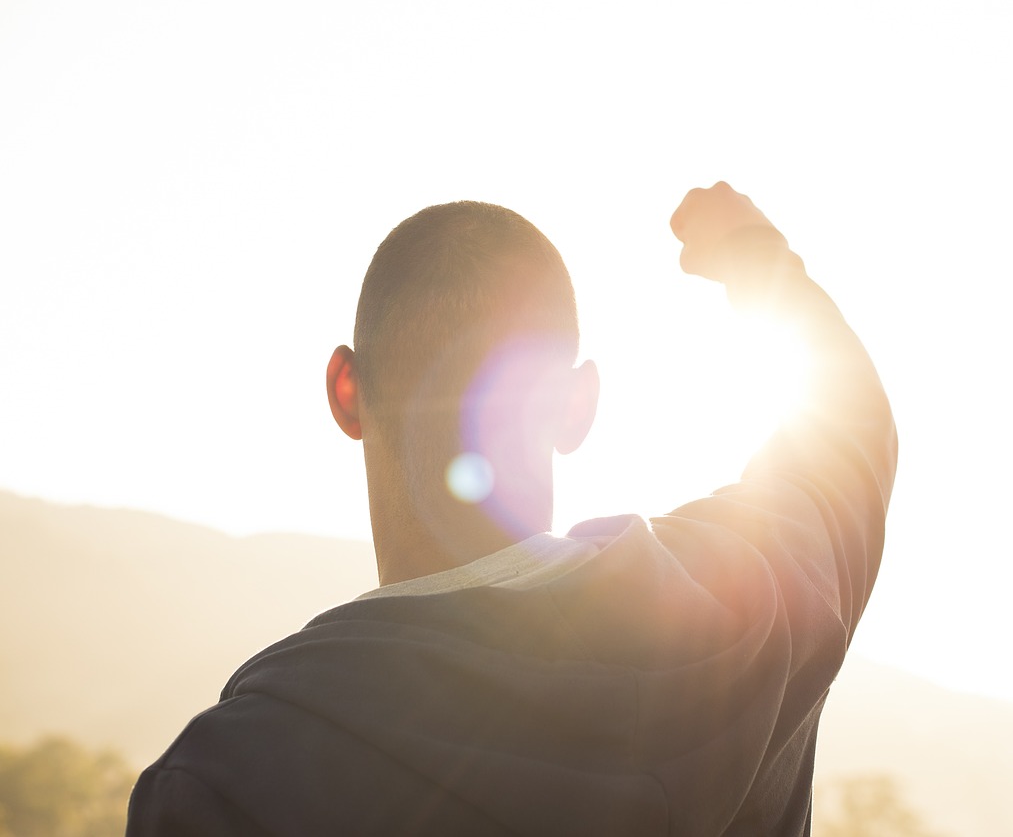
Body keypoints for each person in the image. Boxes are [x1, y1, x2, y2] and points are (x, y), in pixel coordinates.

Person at [126, 183, 897, 836]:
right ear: (576, 406)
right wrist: (753, 255)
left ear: (345, 390)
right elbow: (848, 431)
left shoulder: (230, 782)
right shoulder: (751, 612)